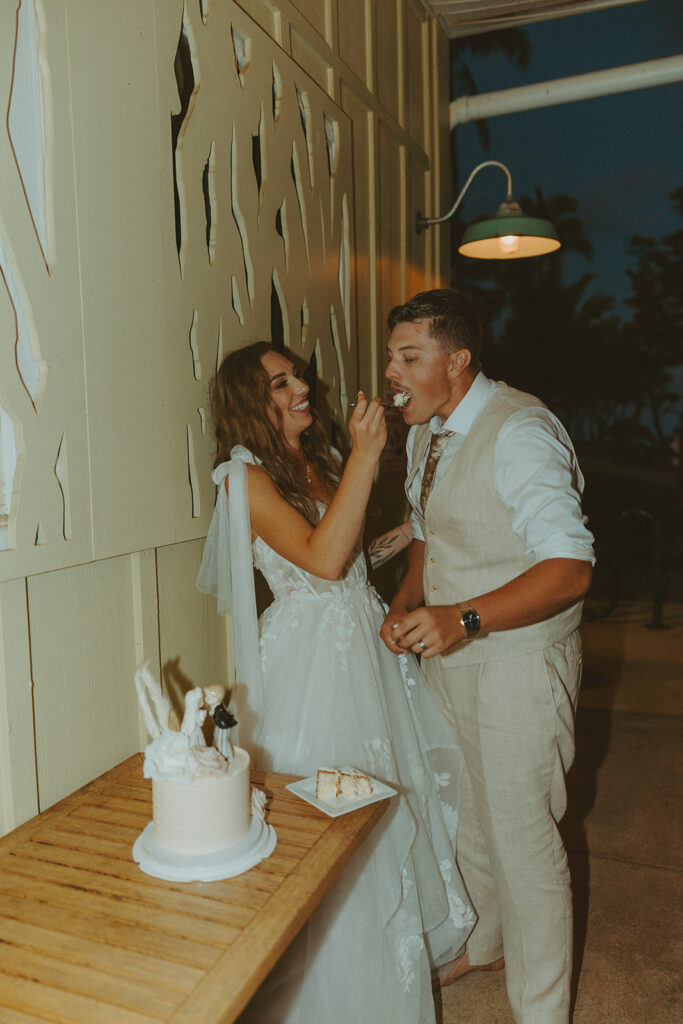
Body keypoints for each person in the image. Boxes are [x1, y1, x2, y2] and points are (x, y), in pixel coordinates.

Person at [197, 341, 474, 1024]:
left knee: (383, 811)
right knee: (325, 827)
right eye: (280, 383)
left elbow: (348, 556)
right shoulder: (242, 477)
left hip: (362, 649)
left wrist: (411, 531)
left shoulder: (311, 463)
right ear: (247, 401)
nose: (301, 390)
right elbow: (320, 564)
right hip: (312, 664)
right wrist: (363, 456)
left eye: (299, 377)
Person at [379, 289, 595, 1024]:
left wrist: (463, 617)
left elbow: (570, 567)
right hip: (452, 661)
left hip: (517, 667)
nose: (392, 373)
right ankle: (485, 941)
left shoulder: (520, 430)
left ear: (458, 359)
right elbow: (426, 527)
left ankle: (540, 1012)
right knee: (468, 816)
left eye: (409, 357)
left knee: (523, 841)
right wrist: (409, 598)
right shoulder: (424, 432)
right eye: (390, 357)